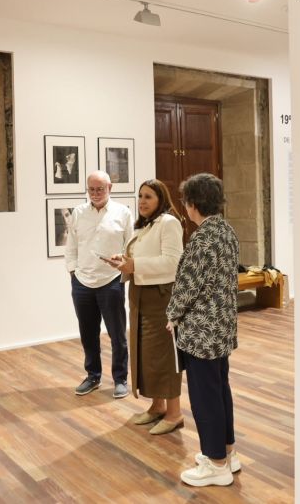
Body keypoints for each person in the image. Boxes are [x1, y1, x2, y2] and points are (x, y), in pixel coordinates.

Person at [166, 173, 241, 487]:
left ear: (192, 204)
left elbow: (188, 286)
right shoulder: (226, 230)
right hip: (222, 327)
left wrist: (172, 314)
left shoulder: (202, 238)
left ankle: (217, 464)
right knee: (219, 391)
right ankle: (226, 451)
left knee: (204, 397)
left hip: (201, 331)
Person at [106, 179, 184, 434]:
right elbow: (142, 258)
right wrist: (125, 261)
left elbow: (173, 263)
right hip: (140, 295)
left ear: (161, 199)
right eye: (140, 196)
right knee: (146, 354)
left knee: (163, 356)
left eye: (148, 196)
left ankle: (174, 414)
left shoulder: (169, 223)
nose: (142, 201)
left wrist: (135, 265)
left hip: (160, 297)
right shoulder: (143, 226)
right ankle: (157, 406)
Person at [65, 171, 134, 398]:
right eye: (91, 189)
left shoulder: (123, 213)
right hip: (82, 281)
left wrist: (123, 262)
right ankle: (93, 376)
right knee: (88, 333)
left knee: (117, 333)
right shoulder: (78, 213)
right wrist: (73, 271)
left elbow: (130, 246)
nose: (95, 194)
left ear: (110, 188)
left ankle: (120, 379)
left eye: (100, 189)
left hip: (111, 280)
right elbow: (72, 245)